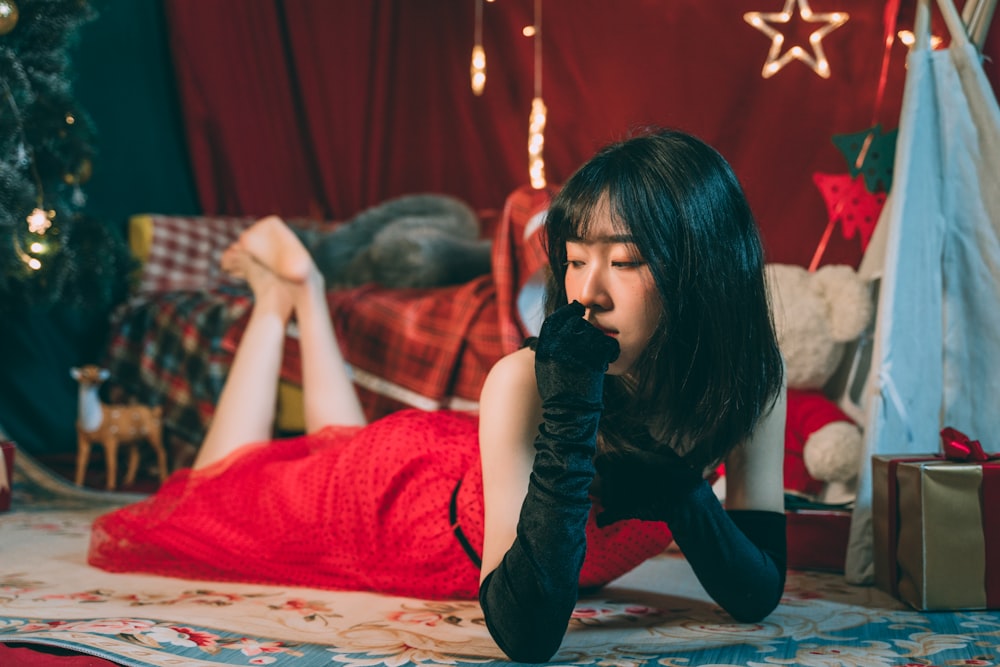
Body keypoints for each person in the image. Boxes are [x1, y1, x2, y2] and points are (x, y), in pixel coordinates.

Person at [88, 127, 787, 664]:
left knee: (307, 452)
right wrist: (574, 404)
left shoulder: (745, 386)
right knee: (216, 492)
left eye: (626, 261)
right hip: (401, 506)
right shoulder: (527, 382)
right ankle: (282, 299)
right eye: (574, 261)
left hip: (452, 466)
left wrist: (682, 491)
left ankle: (300, 292)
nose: (586, 294)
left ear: (703, 272)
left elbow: (757, 592)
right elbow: (526, 635)